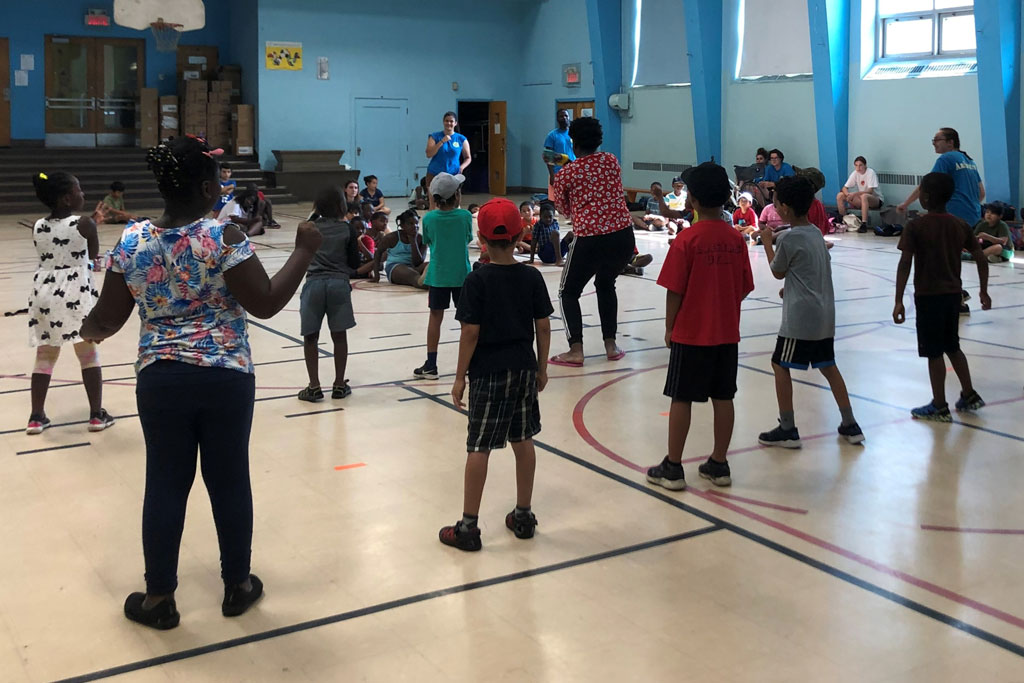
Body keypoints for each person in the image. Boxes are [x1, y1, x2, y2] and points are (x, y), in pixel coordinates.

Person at [80, 135, 322, 629]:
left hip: (161, 379)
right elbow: (265, 302)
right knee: (228, 479)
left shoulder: (132, 240)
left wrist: (86, 328)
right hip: (226, 377)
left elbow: (106, 320)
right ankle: (238, 585)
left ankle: (159, 598)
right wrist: (303, 251)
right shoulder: (223, 237)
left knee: (165, 484)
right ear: (210, 189)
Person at [438, 197, 553, 551]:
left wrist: (459, 377)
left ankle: (468, 527)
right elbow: (543, 326)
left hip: (488, 372)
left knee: (479, 446)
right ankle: (523, 515)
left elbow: (470, 332)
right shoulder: (531, 276)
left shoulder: (477, 280)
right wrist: (542, 367)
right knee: (523, 440)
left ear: (481, 239)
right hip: (524, 368)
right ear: (519, 235)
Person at [645, 163, 754, 490]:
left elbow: (674, 290)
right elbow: (744, 287)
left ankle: (673, 467)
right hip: (726, 334)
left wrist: (670, 327)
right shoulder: (735, 239)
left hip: (690, 335)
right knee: (724, 397)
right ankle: (719, 464)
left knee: (681, 398)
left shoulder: (687, 240)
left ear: (692, 199)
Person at [754, 176, 864, 448]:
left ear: (785, 208)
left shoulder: (789, 238)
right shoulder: (815, 233)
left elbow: (777, 271)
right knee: (828, 366)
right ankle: (850, 424)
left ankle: (787, 427)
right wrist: (791, 288)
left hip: (801, 319)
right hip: (824, 314)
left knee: (780, 364)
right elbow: (810, 270)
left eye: (776, 203)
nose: (774, 207)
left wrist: (767, 242)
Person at [893, 172, 989, 422]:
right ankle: (969, 394)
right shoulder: (960, 224)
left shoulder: (916, 226)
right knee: (952, 346)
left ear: (924, 197)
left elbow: (905, 263)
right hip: (953, 296)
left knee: (933, 352)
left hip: (929, 297)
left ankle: (939, 406)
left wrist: (899, 299)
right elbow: (980, 257)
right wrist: (983, 290)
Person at [25, 171, 113, 435]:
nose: (82, 194)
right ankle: (96, 415)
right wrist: (93, 224)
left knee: (45, 356)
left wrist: (91, 223)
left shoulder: (38, 225)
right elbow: (92, 254)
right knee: (88, 355)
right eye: (78, 190)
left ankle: (36, 417)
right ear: (66, 198)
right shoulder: (85, 224)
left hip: (44, 293)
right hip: (75, 293)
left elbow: (58, 248)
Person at [546, 117, 636, 367]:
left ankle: (576, 351)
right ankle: (611, 346)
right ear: (598, 140)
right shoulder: (611, 161)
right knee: (606, 284)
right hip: (622, 236)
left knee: (568, 292)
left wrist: (562, 168)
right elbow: (592, 171)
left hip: (590, 239)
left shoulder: (567, 173)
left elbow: (564, 210)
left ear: (573, 143)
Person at [298, 189, 359, 402]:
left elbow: (300, 255)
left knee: (311, 337)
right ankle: (339, 384)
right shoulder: (347, 229)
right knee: (339, 335)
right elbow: (354, 263)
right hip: (339, 284)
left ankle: (314, 386)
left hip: (314, 283)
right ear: (342, 206)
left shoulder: (309, 228)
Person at [414, 173, 473, 380]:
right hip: (461, 275)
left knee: (435, 317)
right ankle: (470, 363)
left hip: (438, 275)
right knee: (466, 320)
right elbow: (468, 237)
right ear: (457, 195)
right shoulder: (465, 216)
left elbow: (428, 240)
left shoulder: (429, 218)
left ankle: (431, 365)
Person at [897, 128, 985, 226]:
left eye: (937, 140)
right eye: (933, 140)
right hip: (974, 218)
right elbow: (981, 193)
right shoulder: (970, 162)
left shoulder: (946, 158)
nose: (933, 143)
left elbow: (927, 184)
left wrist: (906, 203)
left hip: (954, 218)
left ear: (950, 142)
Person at [372, 209, 428, 288]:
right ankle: (421, 282)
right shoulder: (391, 237)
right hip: (395, 267)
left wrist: (413, 241)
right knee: (411, 274)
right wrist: (376, 274)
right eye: (410, 224)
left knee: (431, 265)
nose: (415, 226)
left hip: (414, 267)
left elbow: (418, 262)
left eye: (416, 223)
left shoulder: (421, 239)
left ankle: (431, 280)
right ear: (402, 226)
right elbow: (378, 253)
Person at [425, 111, 472, 202]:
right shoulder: (434, 136)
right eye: (446, 121)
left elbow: (468, 157)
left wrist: (462, 167)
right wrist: (441, 142)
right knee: (434, 203)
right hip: (434, 173)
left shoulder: (461, 139)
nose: (449, 123)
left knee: (454, 202)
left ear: (455, 123)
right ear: (443, 122)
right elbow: (428, 154)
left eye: (451, 121)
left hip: (453, 174)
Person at [837, 156, 882, 227]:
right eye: (856, 165)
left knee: (864, 196)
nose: (858, 168)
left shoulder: (870, 172)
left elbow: (870, 191)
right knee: (840, 195)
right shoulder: (855, 173)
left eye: (860, 165)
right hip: (862, 200)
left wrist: (854, 194)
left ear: (865, 165)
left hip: (875, 200)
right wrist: (848, 195)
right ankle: (844, 221)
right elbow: (844, 188)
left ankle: (864, 224)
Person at [542, 109, 576, 174]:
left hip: (573, 169)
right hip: (559, 171)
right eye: (561, 116)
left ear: (569, 117)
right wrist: (552, 175)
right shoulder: (552, 135)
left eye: (566, 116)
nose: (564, 118)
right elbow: (548, 156)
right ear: (557, 119)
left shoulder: (574, 133)